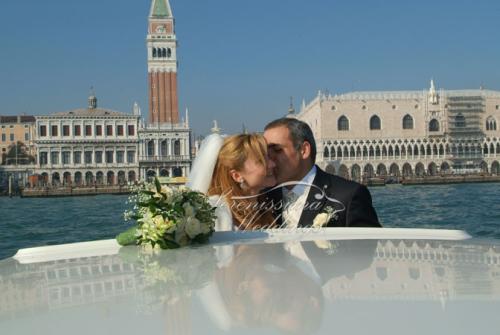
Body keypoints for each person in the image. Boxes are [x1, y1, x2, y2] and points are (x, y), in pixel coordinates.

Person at [263, 117, 381, 228]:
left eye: (277, 150)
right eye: (266, 154)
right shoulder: (263, 197)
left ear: (304, 150)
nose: (269, 161)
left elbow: (367, 247)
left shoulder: (349, 196)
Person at [187, 133, 277, 231]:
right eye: (261, 160)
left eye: (269, 158)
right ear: (237, 176)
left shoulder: (267, 205)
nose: (273, 164)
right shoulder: (217, 214)